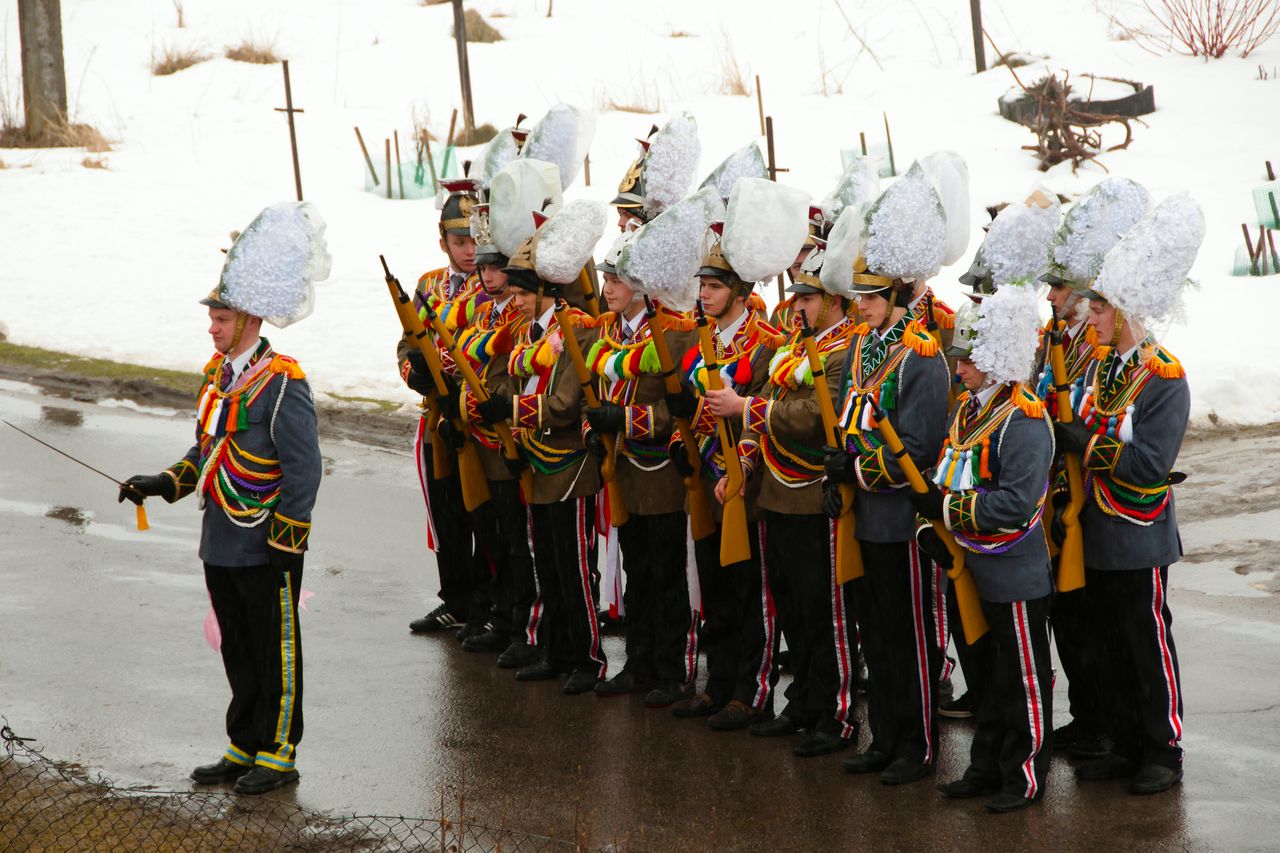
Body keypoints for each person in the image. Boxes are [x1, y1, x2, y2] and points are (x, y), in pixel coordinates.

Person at [120, 203, 326, 795]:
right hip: (222, 538)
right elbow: (208, 451)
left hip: (267, 541)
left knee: (275, 648)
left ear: (250, 320)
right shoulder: (217, 375)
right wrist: (163, 483)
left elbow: (304, 471)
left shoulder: (284, 380)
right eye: (212, 315)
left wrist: (287, 541)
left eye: (222, 315)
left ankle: (279, 751)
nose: (211, 325)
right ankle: (244, 742)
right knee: (237, 644)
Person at [1055, 192, 1203, 796]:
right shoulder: (1097, 369)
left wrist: (1084, 442)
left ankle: (1161, 749)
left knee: (1146, 643)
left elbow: (1147, 464)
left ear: (1126, 310)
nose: (1089, 315)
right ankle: (1120, 739)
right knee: (1105, 644)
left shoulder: (1165, 377)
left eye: (1099, 306)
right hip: (1092, 528)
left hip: (1137, 532)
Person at [823, 167, 952, 785]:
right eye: (858, 298)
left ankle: (918, 743)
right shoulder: (856, 350)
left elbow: (922, 448)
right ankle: (886, 735)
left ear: (896, 299)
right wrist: (837, 469)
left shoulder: (922, 357)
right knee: (875, 632)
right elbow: (851, 422)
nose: (861, 307)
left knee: (911, 637)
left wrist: (860, 468)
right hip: (867, 516)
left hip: (903, 518)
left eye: (871, 299)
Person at [718, 241, 860, 758]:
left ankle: (835, 713)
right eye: (796, 295)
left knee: (825, 612)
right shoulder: (795, 347)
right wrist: (745, 463)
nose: (796, 305)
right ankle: (801, 702)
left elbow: (818, 416)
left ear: (834, 301)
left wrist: (745, 408)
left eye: (808, 296)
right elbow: (778, 411)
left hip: (814, 494)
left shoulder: (848, 350)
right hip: (776, 492)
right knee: (793, 610)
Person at [917, 287, 1057, 814]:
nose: (959, 367)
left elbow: (1017, 504)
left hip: (1013, 571)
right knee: (984, 675)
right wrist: (930, 520)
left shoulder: (1022, 418)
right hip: (969, 566)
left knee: (1022, 677)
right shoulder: (968, 411)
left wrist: (946, 508)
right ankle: (986, 765)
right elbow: (945, 471)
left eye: (968, 358)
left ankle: (1023, 776)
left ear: (996, 359)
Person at [475, 231, 607, 696]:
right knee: (546, 564)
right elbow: (515, 381)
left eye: (523, 293)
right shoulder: (527, 333)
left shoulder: (579, 330)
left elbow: (567, 404)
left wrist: (509, 412)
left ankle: (588, 657)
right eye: (513, 292)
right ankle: (557, 649)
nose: (516, 300)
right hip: (535, 461)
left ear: (548, 292)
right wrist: (499, 406)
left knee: (574, 568)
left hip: (569, 466)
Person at [669, 244, 785, 731]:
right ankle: (717, 684)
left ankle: (750, 690)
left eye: (715, 286)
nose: (705, 294)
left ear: (740, 291)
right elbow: (690, 410)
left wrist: (739, 467)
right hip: (707, 482)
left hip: (747, 485)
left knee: (749, 592)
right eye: (703, 285)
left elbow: (761, 410)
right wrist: (680, 441)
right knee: (714, 588)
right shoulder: (704, 342)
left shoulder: (767, 345)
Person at [590, 233, 699, 707]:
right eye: (607, 279)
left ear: (640, 287)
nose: (608, 288)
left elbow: (682, 411)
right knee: (635, 569)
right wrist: (597, 427)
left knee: (666, 572)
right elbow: (596, 391)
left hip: (662, 471)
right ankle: (638, 661)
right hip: (624, 471)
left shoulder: (673, 332)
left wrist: (626, 421)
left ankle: (672, 670)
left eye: (615, 280)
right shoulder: (608, 331)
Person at [452, 198, 539, 668]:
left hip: (512, 436)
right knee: (493, 535)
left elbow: (503, 374)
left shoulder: (519, 319)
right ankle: (503, 616)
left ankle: (523, 619)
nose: (487, 276)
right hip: (481, 437)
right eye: (483, 267)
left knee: (517, 538)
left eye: (497, 267)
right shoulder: (482, 314)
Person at [398, 180, 485, 637]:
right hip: (435, 416)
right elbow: (408, 340)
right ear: (443, 243)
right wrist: (412, 371)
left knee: (482, 514)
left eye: (474, 239)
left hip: (475, 415)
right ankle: (454, 598)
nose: (469, 250)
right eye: (459, 242)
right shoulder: (427, 285)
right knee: (444, 511)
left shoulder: (493, 284)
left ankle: (487, 602)